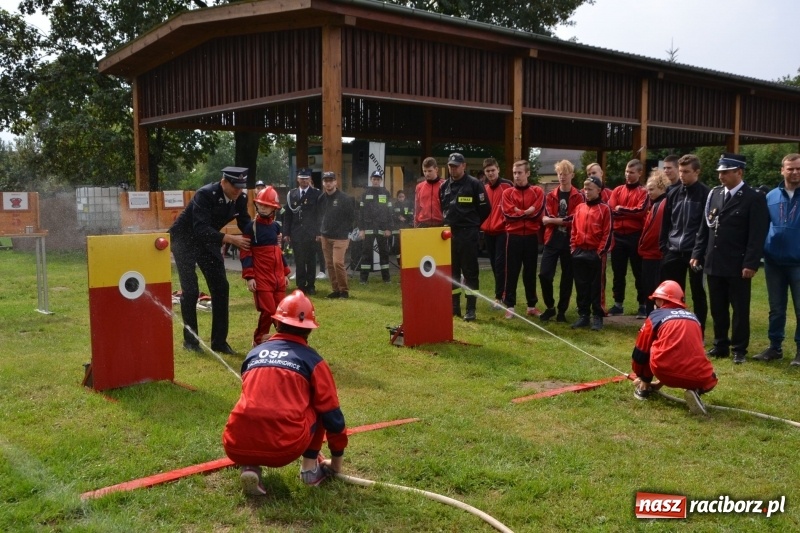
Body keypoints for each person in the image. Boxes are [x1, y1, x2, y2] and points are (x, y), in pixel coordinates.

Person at [222, 290, 348, 496]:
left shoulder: (253, 353)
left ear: (276, 324)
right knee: (320, 407)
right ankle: (310, 471)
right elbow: (333, 416)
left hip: (236, 443)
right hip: (283, 447)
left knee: (252, 405)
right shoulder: (312, 361)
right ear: (309, 330)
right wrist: (336, 464)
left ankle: (250, 468)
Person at [692, 153, 769, 364]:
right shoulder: (715, 194)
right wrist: (698, 254)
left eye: (726, 172)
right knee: (717, 306)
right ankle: (720, 344)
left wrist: (751, 263)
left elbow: (756, 234)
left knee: (740, 309)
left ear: (739, 172)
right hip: (715, 260)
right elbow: (705, 228)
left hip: (738, 263)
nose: (721, 176)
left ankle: (739, 349)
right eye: (720, 172)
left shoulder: (753, 198)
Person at [170, 166, 252, 355]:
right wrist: (231, 239)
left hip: (209, 242)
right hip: (185, 241)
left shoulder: (241, 197)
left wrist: (265, 233)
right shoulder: (205, 194)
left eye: (241, 187)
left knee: (221, 287)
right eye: (235, 187)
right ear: (224, 183)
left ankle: (219, 342)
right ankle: (191, 341)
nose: (238, 191)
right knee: (190, 291)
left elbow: (245, 223)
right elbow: (200, 228)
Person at [630, 280, 718, 416]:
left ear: (660, 299)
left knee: (651, 345)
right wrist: (659, 384)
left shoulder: (655, 316)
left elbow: (641, 351)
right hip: (698, 377)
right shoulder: (694, 317)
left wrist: (642, 377)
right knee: (712, 376)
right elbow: (688, 353)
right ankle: (696, 390)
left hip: (663, 371)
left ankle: (644, 388)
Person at [753, 153, 800, 366]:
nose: (794, 172)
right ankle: (775, 347)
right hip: (773, 262)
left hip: (798, 262)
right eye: (790, 168)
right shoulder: (770, 196)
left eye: (798, 168)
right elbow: (762, 226)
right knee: (776, 308)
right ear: (782, 170)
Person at [659, 154, 710, 334]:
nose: (682, 175)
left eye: (686, 172)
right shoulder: (672, 192)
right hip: (673, 250)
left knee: (698, 293)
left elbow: (707, 226)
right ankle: (673, 329)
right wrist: (664, 247)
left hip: (695, 253)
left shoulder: (706, 194)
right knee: (673, 294)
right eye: (680, 171)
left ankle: (698, 331)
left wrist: (700, 251)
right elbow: (666, 223)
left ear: (697, 172)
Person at [440, 152, 491, 321]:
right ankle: (454, 307)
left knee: (470, 272)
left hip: (468, 234)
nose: (452, 169)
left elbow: (485, 209)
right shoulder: (444, 187)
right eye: (450, 166)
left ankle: (471, 309)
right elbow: (443, 208)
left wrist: (473, 224)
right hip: (449, 235)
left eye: (456, 166)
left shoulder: (475, 185)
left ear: (464, 166)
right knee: (452, 272)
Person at [239, 186, 291, 346]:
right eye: (260, 204)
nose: (262, 207)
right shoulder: (251, 227)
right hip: (261, 278)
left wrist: (285, 273)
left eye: (266, 205)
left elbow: (278, 252)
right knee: (268, 310)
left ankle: (286, 340)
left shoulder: (276, 227)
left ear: (274, 208)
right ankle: (259, 339)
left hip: (277, 278)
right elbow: (245, 253)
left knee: (282, 311)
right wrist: (250, 277)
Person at [539, 160, 584, 322]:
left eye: (565, 174)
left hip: (570, 242)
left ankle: (562, 311)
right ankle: (550, 306)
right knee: (544, 274)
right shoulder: (551, 196)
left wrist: (553, 220)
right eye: (559, 174)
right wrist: (554, 220)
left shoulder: (579, 196)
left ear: (572, 175)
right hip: (552, 240)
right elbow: (546, 217)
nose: (562, 177)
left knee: (567, 277)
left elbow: (575, 220)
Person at [501, 160, 545, 319]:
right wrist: (526, 211)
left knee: (530, 272)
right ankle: (510, 306)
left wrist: (519, 211)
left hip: (531, 237)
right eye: (514, 173)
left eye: (520, 172)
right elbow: (507, 214)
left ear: (527, 173)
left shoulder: (537, 191)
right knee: (511, 271)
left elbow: (538, 213)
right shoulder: (507, 193)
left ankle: (531, 305)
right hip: (513, 236)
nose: (517, 176)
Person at [608, 159, 650, 318]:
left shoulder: (643, 192)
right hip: (618, 236)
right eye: (626, 171)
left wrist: (622, 209)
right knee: (618, 272)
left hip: (635, 236)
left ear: (639, 173)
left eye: (632, 172)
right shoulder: (617, 190)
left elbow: (640, 211)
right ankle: (618, 304)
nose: (628, 175)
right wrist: (626, 211)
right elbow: (612, 211)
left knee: (639, 272)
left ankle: (643, 305)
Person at [570, 176, 612, 330]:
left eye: (590, 189)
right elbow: (574, 229)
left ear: (599, 190)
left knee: (596, 286)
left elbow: (607, 232)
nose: (586, 192)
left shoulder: (605, 209)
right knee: (581, 285)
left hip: (596, 253)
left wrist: (600, 252)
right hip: (579, 251)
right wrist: (573, 249)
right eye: (585, 189)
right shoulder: (579, 208)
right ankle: (583, 315)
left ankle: (597, 316)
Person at [479, 157, 513, 310]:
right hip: (488, 231)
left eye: (493, 170)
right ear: (485, 173)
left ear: (498, 169)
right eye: (488, 171)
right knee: (493, 263)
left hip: (502, 231)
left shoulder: (507, 185)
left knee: (501, 264)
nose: (491, 173)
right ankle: (501, 294)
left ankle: (500, 297)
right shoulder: (484, 188)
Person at [283, 168, 322, 295]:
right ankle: (300, 285)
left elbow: (319, 215)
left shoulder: (316, 194)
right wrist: (286, 233)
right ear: (297, 179)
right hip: (296, 232)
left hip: (311, 233)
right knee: (299, 260)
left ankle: (311, 285)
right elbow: (288, 215)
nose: (304, 181)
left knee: (311, 260)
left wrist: (318, 232)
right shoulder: (292, 194)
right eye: (302, 178)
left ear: (310, 179)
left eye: (306, 178)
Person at [318, 171, 356, 299]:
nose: (328, 183)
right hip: (325, 236)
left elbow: (352, 217)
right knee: (329, 264)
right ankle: (335, 290)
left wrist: (348, 232)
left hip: (341, 237)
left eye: (330, 180)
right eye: (326, 181)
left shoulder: (345, 198)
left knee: (337, 263)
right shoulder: (321, 198)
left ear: (335, 182)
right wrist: (320, 231)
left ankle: (344, 291)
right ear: (323, 183)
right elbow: (319, 216)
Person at [637, 170, 670, 317]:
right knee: (649, 288)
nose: (648, 193)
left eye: (651, 189)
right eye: (647, 189)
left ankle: (654, 320)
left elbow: (656, 231)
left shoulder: (662, 204)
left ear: (661, 188)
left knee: (654, 290)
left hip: (655, 253)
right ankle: (652, 319)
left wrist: (643, 245)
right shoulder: (656, 204)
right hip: (650, 253)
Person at [358, 170, 394, 283]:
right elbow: (361, 213)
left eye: (378, 179)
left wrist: (389, 228)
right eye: (374, 179)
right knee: (366, 254)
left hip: (382, 229)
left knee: (384, 253)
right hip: (368, 228)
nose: (376, 181)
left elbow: (390, 212)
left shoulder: (386, 193)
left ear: (381, 181)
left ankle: (386, 279)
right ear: (371, 180)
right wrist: (361, 229)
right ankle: (363, 279)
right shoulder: (365, 193)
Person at [586, 162, 612, 316]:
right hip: (583, 248)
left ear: (601, 173)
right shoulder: (584, 197)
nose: (592, 176)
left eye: (594, 173)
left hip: (600, 247)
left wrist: (601, 249)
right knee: (585, 280)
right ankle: (584, 308)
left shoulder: (609, 195)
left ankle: (599, 308)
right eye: (589, 174)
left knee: (598, 280)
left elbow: (609, 220)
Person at [414, 157, 443, 228]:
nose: (427, 174)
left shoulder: (444, 185)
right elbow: (417, 207)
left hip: (440, 224)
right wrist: (415, 223)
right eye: (425, 171)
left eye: (430, 171)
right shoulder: (419, 187)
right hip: (423, 224)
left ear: (436, 169)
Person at [391, 189, 413, 256]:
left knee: (406, 244)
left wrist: (406, 218)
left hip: (406, 228)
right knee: (397, 245)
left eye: (402, 196)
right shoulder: (394, 205)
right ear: (397, 197)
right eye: (399, 197)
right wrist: (398, 217)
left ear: (405, 197)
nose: (401, 198)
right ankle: (398, 259)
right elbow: (392, 215)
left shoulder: (408, 205)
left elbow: (411, 214)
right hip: (397, 229)